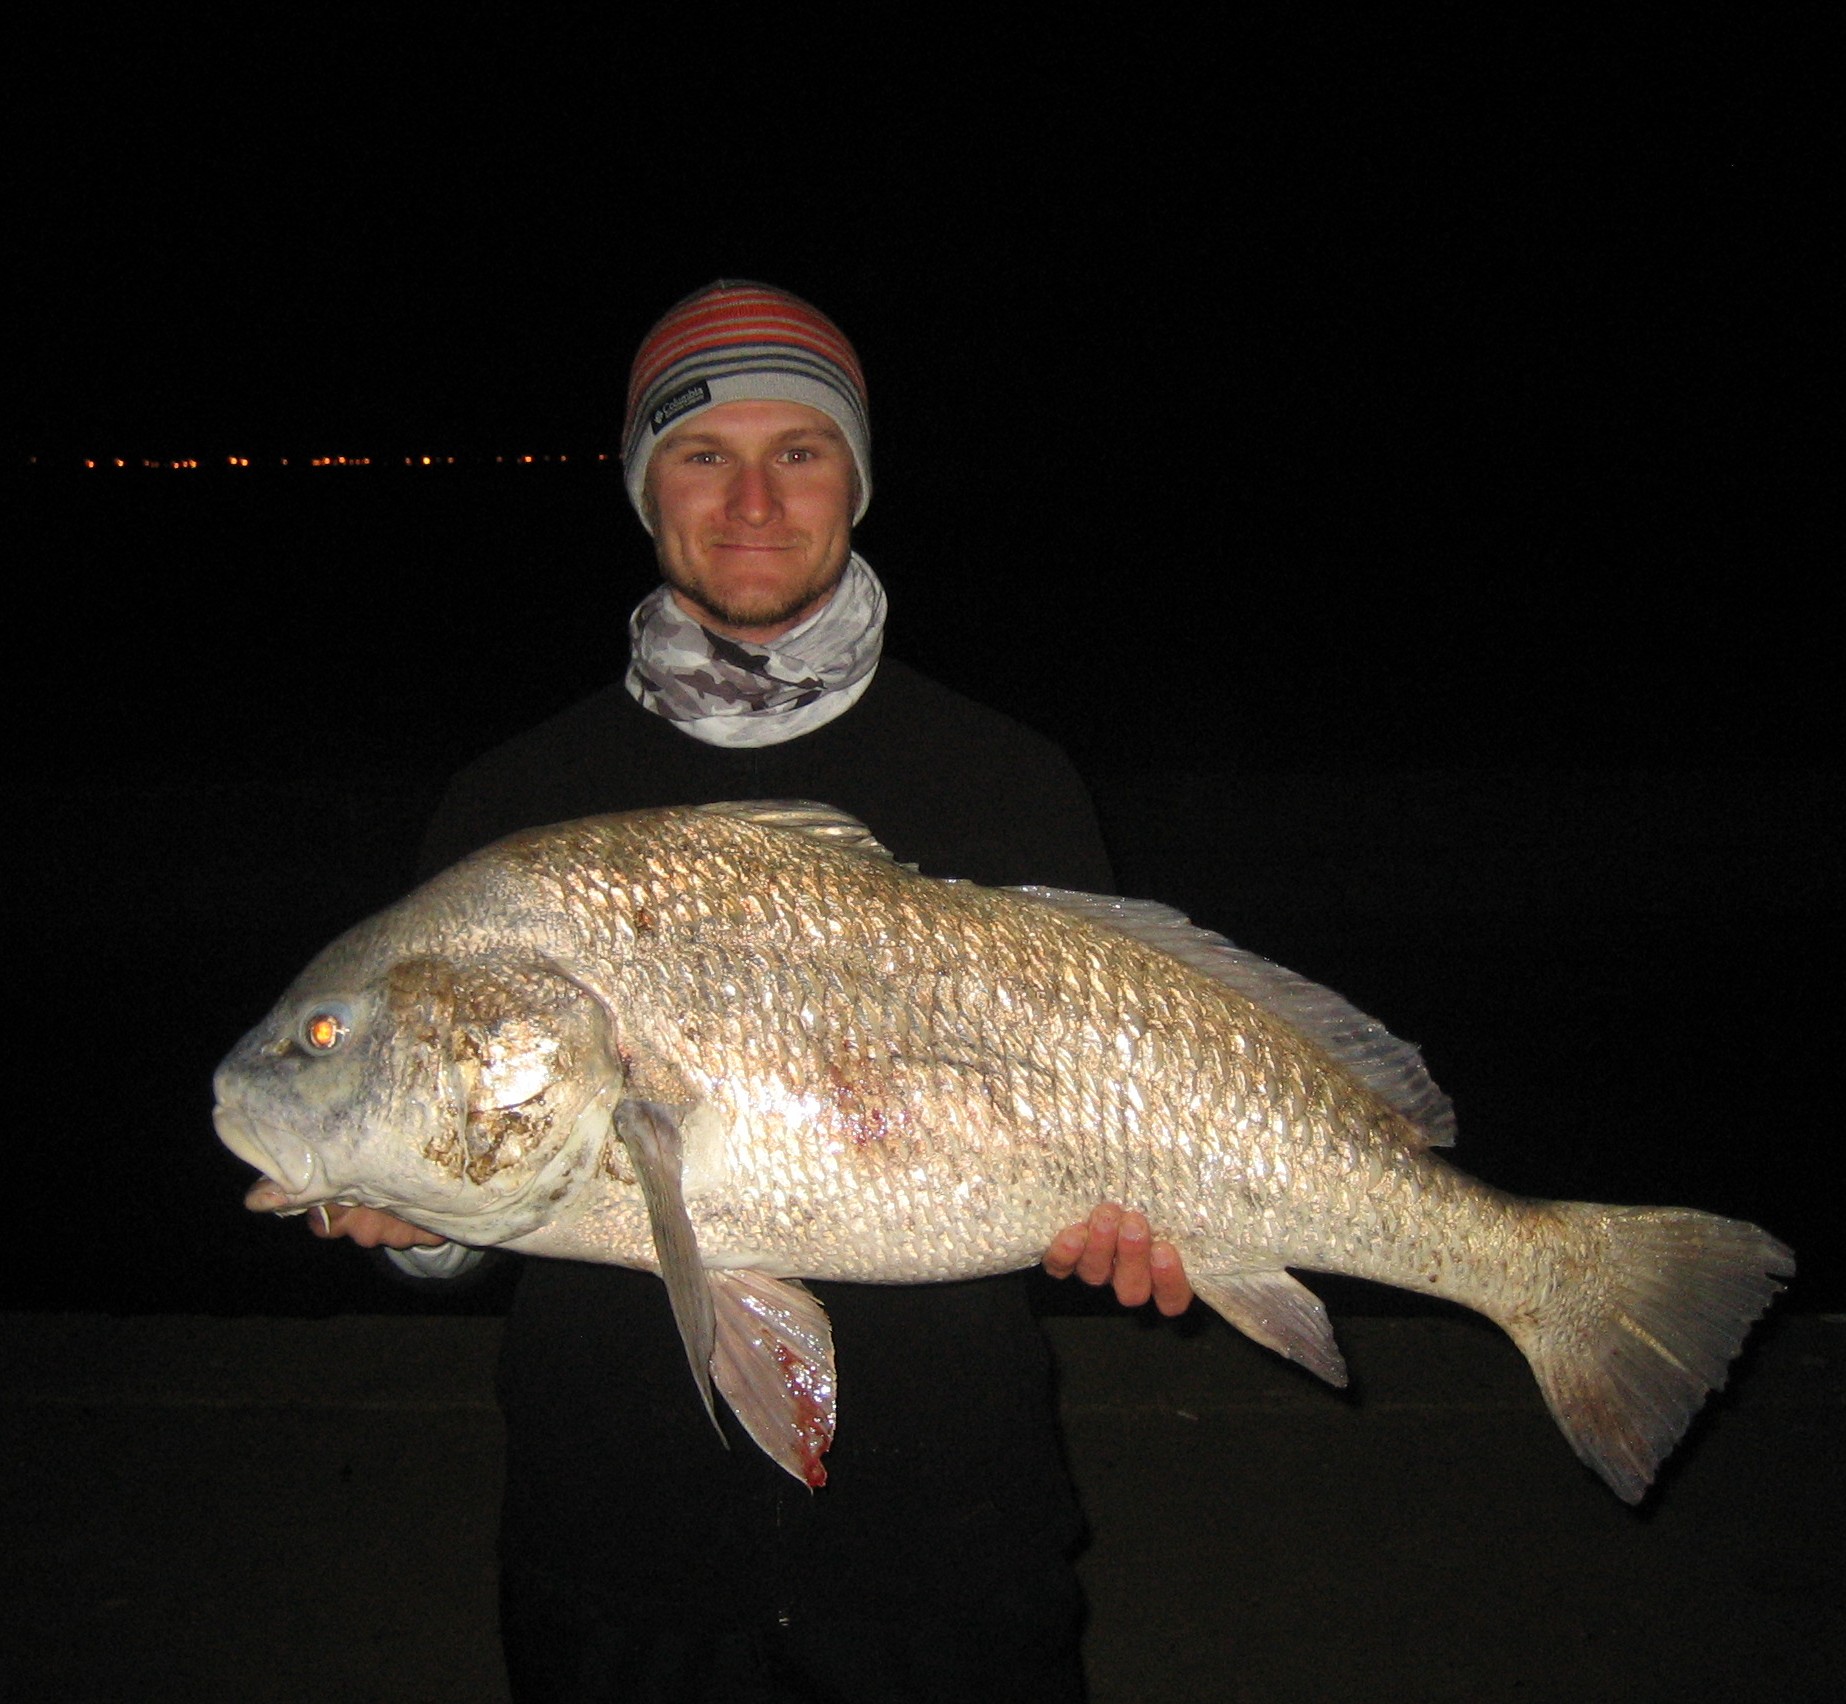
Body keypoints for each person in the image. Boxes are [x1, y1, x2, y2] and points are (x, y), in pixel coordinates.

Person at [299, 281, 1191, 1701]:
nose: (755, 500)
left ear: (858, 480)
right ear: (644, 484)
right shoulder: (511, 801)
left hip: (951, 1547)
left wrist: (1139, 1229)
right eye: (704, 453)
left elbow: (1132, 1111)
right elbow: (475, 1172)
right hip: (617, 1550)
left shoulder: (1006, 777)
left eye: (801, 451)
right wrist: (422, 1230)